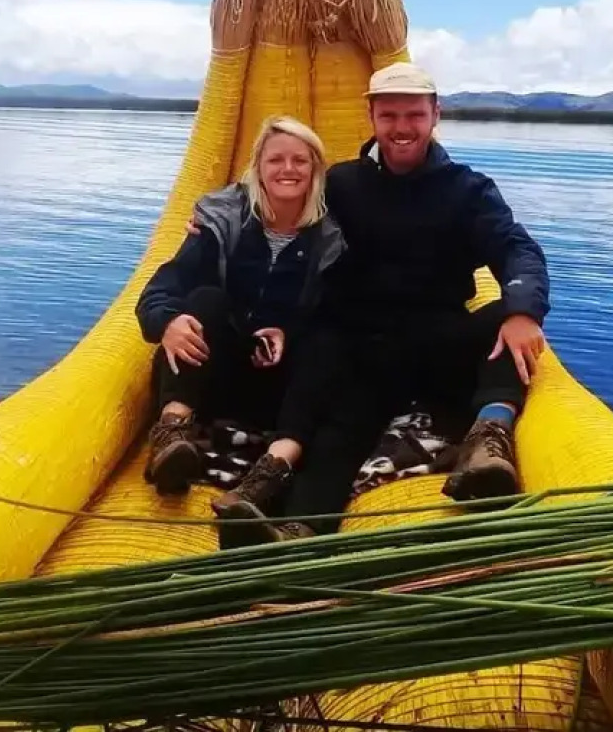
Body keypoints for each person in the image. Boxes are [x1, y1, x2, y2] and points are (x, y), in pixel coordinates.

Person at [207, 61, 551, 545]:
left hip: (436, 338)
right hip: (361, 341)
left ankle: (489, 440)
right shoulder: (343, 184)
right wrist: (211, 227)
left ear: (436, 115)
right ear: (371, 117)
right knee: (344, 423)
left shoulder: (467, 190)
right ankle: (298, 527)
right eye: (389, 115)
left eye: (414, 115)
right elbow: (275, 205)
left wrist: (521, 310)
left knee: (506, 320)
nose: (402, 128)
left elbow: (518, 249)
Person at [134, 115, 343, 520]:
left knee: (329, 341)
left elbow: (332, 311)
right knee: (206, 299)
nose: (287, 170)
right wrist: (168, 323)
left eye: (300, 161)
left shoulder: (331, 237)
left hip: (278, 388)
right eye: (276, 160)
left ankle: (274, 468)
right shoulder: (221, 219)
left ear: (315, 169)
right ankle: (172, 433)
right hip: (216, 373)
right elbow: (159, 291)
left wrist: (288, 333)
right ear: (258, 168)